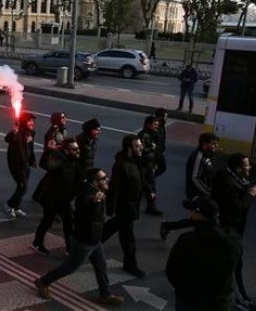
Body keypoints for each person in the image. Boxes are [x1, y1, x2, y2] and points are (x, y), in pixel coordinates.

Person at [34, 168, 124, 305]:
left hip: (95, 239)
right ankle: (43, 281)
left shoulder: (98, 191)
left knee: (101, 266)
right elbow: (84, 205)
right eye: (103, 178)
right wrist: (95, 201)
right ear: (94, 182)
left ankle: (105, 295)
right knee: (70, 267)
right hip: (84, 241)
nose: (107, 179)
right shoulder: (87, 195)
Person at [166, 196, 241, 311]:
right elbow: (234, 268)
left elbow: (172, 270)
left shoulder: (187, 240)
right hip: (221, 301)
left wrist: (184, 290)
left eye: (192, 211)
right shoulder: (232, 240)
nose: (190, 215)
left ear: (199, 215)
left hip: (191, 301)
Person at [212, 153, 256, 311]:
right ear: (237, 168)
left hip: (229, 230)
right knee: (234, 264)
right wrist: (250, 195)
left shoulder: (233, 178)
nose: (249, 167)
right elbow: (237, 208)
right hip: (230, 231)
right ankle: (241, 301)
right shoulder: (229, 183)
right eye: (246, 165)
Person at [102, 134, 153, 278]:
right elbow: (115, 188)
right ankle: (130, 265)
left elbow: (141, 178)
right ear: (128, 148)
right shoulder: (121, 165)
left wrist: (149, 191)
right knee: (128, 238)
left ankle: (91, 243)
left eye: (140, 145)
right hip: (125, 206)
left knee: (112, 227)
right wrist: (110, 207)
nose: (140, 148)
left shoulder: (136, 161)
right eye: (137, 146)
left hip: (132, 205)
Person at [160, 132, 219, 241]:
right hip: (198, 193)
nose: (216, 146)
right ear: (204, 144)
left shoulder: (207, 156)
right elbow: (195, 178)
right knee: (201, 218)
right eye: (214, 144)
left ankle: (168, 226)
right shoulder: (198, 157)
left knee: (198, 219)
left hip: (203, 193)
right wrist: (208, 192)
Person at [31, 137, 83, 255]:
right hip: (52, 197)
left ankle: (70, 248)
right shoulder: (59, 160)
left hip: (64, 198)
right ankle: (37, 242)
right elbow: (45, 165)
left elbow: (78, 177)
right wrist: (48, 151)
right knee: (47, 220)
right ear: (66, 150)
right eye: (74, 149)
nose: (77, 151)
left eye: (77, 149)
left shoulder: (73, 160)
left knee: (68, 222)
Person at [4, 112, 37, 219]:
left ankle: (16, 207)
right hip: (16, 164)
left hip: (26, 163)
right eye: (30, 121)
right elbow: (7, 139)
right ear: (24, 122)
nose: (32, 123)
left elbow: (31, 148)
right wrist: (13, 132)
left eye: (33, 121)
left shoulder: (31, 133)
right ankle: (9, 204)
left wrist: (33, 160)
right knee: (23, 186)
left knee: (22, 187)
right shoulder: (17, 132)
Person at [137, 115, 163, 216]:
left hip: (149, 164)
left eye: (157, 125)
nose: (156, 127)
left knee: (152, 186)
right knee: (141, 186)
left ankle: (151, 207)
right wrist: (151, 148)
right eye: (154, 125)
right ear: (148, 125)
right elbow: (140, 151)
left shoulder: (153, 134)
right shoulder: (143, 135)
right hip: (142, 164)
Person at [153, 108, 168, 177]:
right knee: (162, 167)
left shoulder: (161, 125)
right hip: (156, 153)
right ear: (160, 117)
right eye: (165, 117)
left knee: (162, 167)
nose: (166, 118)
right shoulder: (156, 127)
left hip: (159, 152)